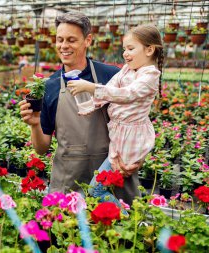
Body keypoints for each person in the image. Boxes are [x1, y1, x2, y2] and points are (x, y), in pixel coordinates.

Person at [19, 11, 142, 205]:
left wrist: (136, 159)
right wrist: (34, 124)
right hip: (69, 182)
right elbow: (42, 149)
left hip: (111, 179)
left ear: (88, 40)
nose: (64, 46)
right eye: (60, 40)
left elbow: (138, 119)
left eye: (71, 40)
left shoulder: (112, 77)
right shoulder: (50, 86)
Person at [67, 24, 163, 210]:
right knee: (105, 184)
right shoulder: (128, 69)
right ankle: (125, 220)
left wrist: (90, 87)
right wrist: (89, 105)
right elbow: (110, 89)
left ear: (149, 50)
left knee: (96, 189)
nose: (125, 54)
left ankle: (127, 219)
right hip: (119, 135)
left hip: (130, 139)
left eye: (130, 48)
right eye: (124, 49)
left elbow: (127, 94)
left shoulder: (149, 76)